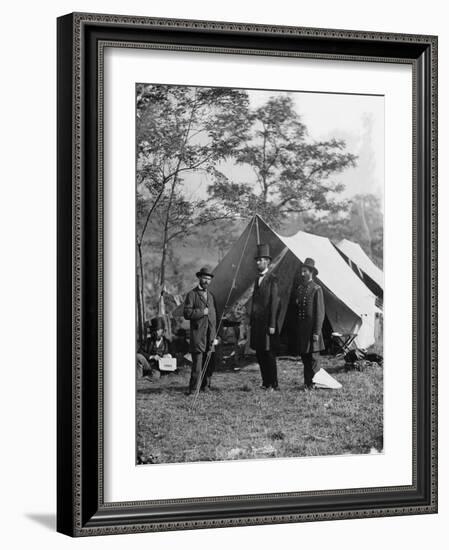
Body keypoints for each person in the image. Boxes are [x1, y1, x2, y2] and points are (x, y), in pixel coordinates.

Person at [291, 258, 341, 390]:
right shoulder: (301, 288)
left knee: (313, 359)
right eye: (302, 271)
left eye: (305, 271)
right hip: (303, 330)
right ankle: (308, 383)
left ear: (311, 272)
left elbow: (320, 313)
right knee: (305, 358)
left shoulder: (316, 289)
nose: (302, 274)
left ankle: (316, 383)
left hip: (312, 331)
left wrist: (316, 332)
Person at [183, 266, 219, 395]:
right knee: (197, 365)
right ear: (199, 278)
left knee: (209, 364)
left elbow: (214, 318)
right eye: (204, 278)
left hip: (210, 336)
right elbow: (187, 313)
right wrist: (201, 312)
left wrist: (215, 336)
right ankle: (193, 389)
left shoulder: (211, 296)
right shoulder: (192, 295)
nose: (207, 281)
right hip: (198, 336)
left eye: (209, 279)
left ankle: (206, 387)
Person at [250, 243, 280, 391]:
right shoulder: (256, 279)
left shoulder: (272, 278)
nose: (258, 262)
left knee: (269, 354)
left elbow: (274, 303)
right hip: (257, 324)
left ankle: (273, 384)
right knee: (260, 353)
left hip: (268, 324)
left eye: (260, 260)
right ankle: (265, 382)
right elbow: (254, 302)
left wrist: (272, 324)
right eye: (257, 260)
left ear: (267, 261)